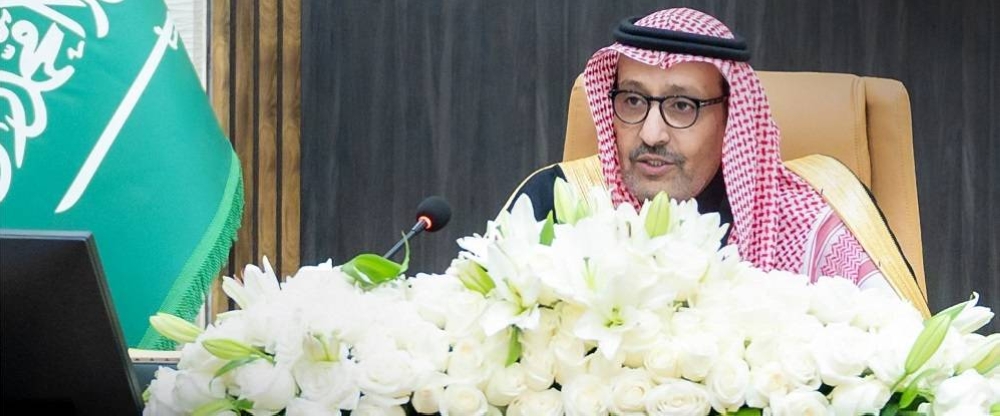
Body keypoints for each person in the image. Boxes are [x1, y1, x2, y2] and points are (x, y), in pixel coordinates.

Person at [506, 8, 929, 315]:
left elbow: (896, 355)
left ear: (732, 117)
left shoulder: (807, 220)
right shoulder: (555, 201)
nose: (651, 133)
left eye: (682, 106)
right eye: (632, 101)